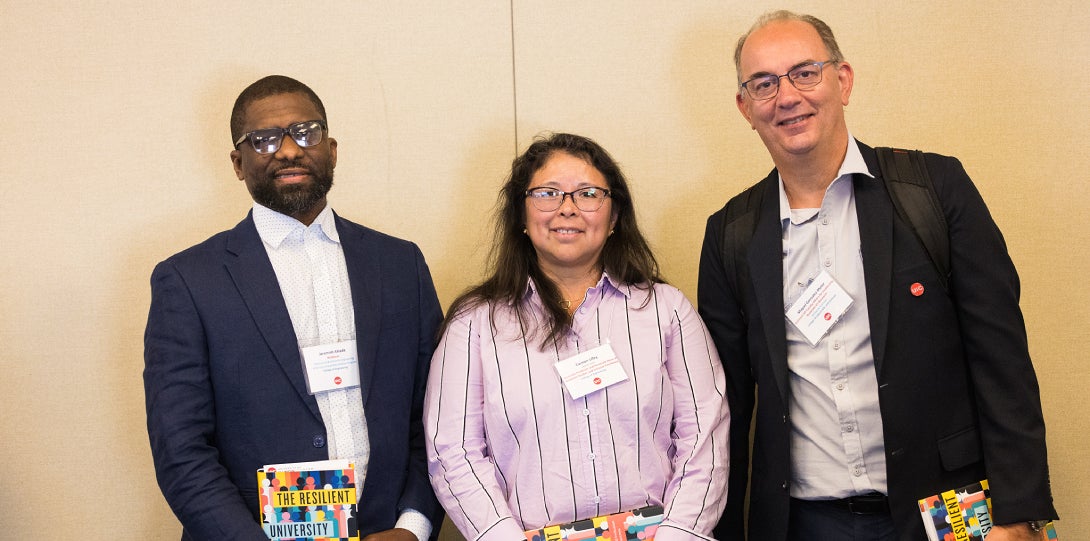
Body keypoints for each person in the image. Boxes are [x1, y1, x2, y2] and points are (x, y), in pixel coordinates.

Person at [698, 10, 1058, 541]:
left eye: (805, 72)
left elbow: (1001, 360)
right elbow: (725, 411)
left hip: (949, 510)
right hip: (807, 523)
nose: (788, 96)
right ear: (745, 108)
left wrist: (1018, 510)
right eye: (764, 84)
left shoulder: (933, 189)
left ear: (842, 81)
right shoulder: (730, 233)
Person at [143, 75, 443, 541]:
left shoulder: (400, 264)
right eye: (263, 139)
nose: (288, 150)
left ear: (333, 149)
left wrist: (414, 526)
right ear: (238, 163)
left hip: (390, 530)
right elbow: (182, 450)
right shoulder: (188, 280)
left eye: (306, 132)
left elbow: (439, 417)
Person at [424, 133, 729, 541]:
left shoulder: (666, 310)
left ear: (615, 215)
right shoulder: (473, 324)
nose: (567, 209)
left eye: (588, 193)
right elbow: (453, 452)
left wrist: (679, 534)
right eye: (547, 193)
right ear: (521, 216)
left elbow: (705, 435)